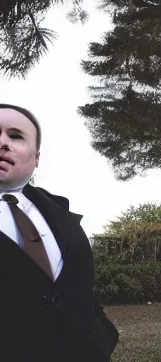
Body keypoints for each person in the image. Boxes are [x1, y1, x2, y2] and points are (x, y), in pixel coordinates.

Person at [0, 104, 119, 361]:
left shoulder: (60, 212)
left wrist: (103, 333)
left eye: (16, 136)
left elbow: (79, 288)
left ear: (36, 158)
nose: (3, 143)